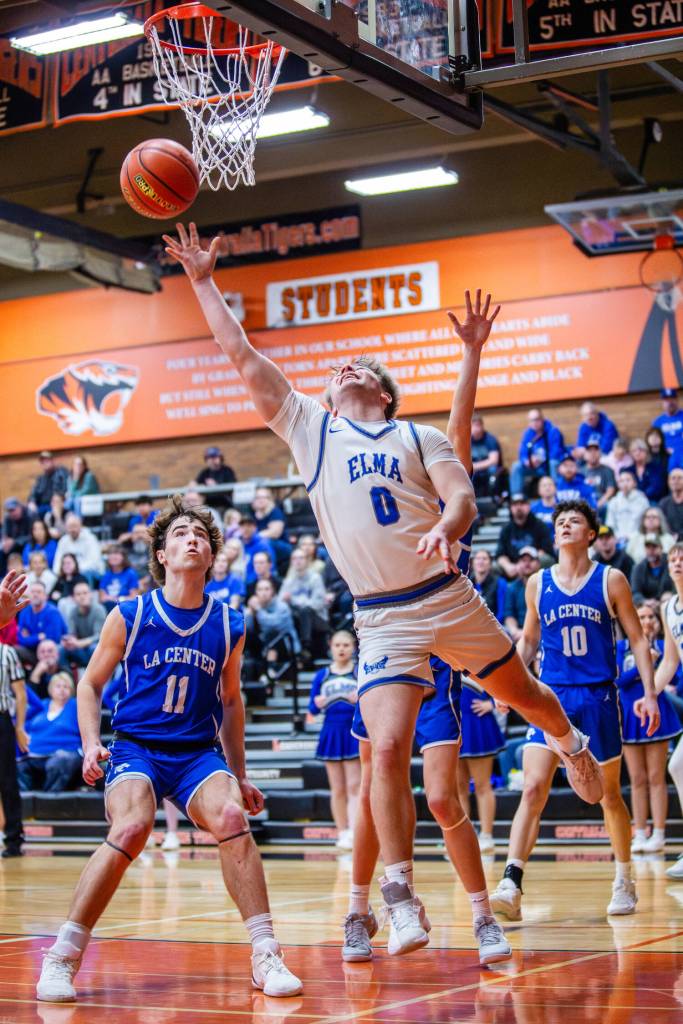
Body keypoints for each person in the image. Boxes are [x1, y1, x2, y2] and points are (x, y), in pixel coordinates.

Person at [166, 225, 605, 950]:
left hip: (446, 597)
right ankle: (396, 893)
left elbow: (462, 498)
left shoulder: (416, 437)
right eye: (339, 366)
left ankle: (568, 742)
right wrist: (204, 281)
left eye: (358, 366)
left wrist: (447, 527)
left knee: (527, 696)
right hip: (383, 619)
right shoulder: (311, 429)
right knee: (386, 748)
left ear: (382, 392)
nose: (343, 367)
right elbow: (239, 355)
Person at [36, 494, 302, 1002]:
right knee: (133, 826)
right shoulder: (131, 613)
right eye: (180, 533)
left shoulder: (229, 623)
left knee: (230, 817)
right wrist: (91, 744)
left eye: (200, 534)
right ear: (161, 553)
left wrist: (240, 774)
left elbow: (229, 701)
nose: (192, 539)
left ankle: (265, 953)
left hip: (197, 753)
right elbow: (89, 685)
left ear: (211, 554)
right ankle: (61, 956)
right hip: (137, 747)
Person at [342, 316, 511, 966]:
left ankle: (480, 914)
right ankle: (359, 910)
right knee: (371, 785)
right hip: (384, 645)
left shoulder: (436, 477)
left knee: (442, 796)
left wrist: (470, 355)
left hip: (440, 676)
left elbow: (458, 422)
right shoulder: (364, 477)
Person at [490, 499, 659, 921]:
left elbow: (637, 640)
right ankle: (511, 882)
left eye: (575, 521)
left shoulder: (611, 579)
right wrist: (507, 684)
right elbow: (528, 643)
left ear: (591, 534)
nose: (566, 526)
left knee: (607, 797)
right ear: (554, 535)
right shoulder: (537, 583)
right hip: (550, 696)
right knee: (533, 787)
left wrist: (651, 692)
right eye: (560, 522)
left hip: (598, 698)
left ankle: (623, 877)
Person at [617, 603, 681, 854]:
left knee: (657, 777)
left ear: (656, 621)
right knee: (637, 779)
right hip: (630, 715)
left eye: (649, 617)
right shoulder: (621, 648)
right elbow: (618, 680)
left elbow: (676, 675)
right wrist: (640, 667)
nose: (645, 621)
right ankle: (640, 832)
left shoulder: (665, 647)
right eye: (640, 616)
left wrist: (656, 666)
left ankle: (660, 833)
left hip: (658, 712)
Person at [641, 546, 683, 878]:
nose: (679, 563)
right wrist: (649, 693)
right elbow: (670, 660)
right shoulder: (669, 608)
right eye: (674, 560)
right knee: (679, 766)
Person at [307, 630, 360, 850]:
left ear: (354, 647)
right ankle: (343, 832)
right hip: (331, 731)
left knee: (355, 785)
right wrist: (317, 703)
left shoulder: (359, 672)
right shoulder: (322, 675)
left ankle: (357, 831)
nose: (341, 649)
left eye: (346, 645)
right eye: (337, 645)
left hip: (353, 731)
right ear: (330, 647)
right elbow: (311, 709)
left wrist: (361, 699)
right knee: (337, 788)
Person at [458, 679, 505, 854]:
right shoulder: (442, 654)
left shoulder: (480, 652)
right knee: (458, 788)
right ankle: (461, 838)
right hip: (451, 721)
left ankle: (486, 835)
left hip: (477, 722)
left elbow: (506, 679)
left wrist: (492, 703)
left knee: (482, 785)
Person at [18, 672, 82, 793]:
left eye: (66, 687)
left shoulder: (75, 705)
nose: (62, 690)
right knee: (18, 765)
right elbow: (23, 725)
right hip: (34, 753)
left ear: (71, 690)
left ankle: (47, 803)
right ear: (51, 689)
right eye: (58, 686)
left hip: (65, 752)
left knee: (58, 762)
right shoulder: (41, 705)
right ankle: (26, 805)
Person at [0, 641, 28, 857]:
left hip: (2, 720)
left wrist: (19, 726)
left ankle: (14, 839)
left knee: (7, 780)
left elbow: (20, 693)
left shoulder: (7, 652)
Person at [279, 548, 329, 663]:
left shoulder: (315, 578)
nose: (298, 561)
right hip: (300, 619)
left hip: (318, 619)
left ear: (307, 561)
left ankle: (305, 645)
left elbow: (317, 604)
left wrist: (294, 600)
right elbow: (280, 602)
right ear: (291, 561)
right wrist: (286, 600)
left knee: (305, 611)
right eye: (295, 558)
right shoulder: (289, 581)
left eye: (301, 558)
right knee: (289, 614)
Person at [245, 578, 300, 670]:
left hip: (286, 645)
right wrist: (250, 613)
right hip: (265, 645)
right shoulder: (254, 607)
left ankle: (271, 670)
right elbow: (246, 629)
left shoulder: (282, 606)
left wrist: (258, 610)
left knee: (273, 634)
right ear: (256, 593)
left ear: (273, 591)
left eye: (267, 589)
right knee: (246, 634)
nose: (263, 593)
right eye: (260, 589)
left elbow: (273, 625)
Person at [495, 494, 554, 580]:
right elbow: (500, 554)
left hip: (535, 565)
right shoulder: (506, 529)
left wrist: (527, 564)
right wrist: (508, 566)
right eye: (515, 504)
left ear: (529, 506)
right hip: (514, 568)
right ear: (510, 508)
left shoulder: (540, 525)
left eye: (522, 503)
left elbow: (546, 551)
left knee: (547, 560)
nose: (519, 507)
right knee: (495, 567)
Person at [510, 408, 565, 497]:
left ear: (542, 419)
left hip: (548, 466)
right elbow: (522, 453)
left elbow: (556, 453)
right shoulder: (528, 433)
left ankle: (557, 494)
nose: (534, 423)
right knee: (516, 466)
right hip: (534, 468)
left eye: (536, 420)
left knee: (553, 463)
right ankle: (517, 498)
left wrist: (540, 460)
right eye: (531, 421)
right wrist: (527, 461)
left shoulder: (553, 431)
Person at [17, 582, 67, 665]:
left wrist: (30, 637)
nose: (35, 595)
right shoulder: (24, 612)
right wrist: (38, 637)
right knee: (14, 650)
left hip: (51, 652)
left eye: (39, 592)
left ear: (45, 596)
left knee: (48, 648)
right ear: (29, 595)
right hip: (32, 650)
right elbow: (21, 639)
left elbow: (54, 639)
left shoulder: (52, 612)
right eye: (33, 592)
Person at [60, 582, 107, 670]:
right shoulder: (72, 612)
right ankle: (67, 678)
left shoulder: (99, 610)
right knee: (61, 649)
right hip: (80, 648)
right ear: (73, 598)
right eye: (78, 594)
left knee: (94, 648)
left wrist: (80, 643)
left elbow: (99, 636)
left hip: (95, 647)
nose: (82, 596)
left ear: (91, 595)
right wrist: (69, 641)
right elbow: (72, 634)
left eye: (85, 593)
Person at [53, 514, 105, 583]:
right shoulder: (63, 541)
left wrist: (74, 569)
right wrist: (58, 572)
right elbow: (58, 561)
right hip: (70, 571)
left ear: (80, 526)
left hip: (92, 572)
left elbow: (93, 563)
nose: (72, 529)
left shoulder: (90, 539)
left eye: (75, 526)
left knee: (85, 575)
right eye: (70, 527)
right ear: (66, 528)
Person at [503, 547, 540, 642]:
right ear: (518, 564)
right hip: (518, 632)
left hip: (541, 632)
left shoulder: (546, 586)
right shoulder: (511, 587)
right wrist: (514, 631)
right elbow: (509, 614)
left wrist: (527, 633)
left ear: (538, 563)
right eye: (523, 560)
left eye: (531, 560)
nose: (527, 563)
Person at [605, 470, 650, 545]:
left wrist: (634, 537)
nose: (625, 483)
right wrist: (616, 537)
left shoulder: (643, 501)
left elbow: (645, 524)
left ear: (634, 483)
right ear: (618, 484)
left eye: (628, 480)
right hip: (617, 540)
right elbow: (610, 524)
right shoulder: (613, 502)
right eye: (621, 481)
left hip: (637, 540)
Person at [470, 414, 504, 499]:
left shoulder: (490, 439)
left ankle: (494, 498)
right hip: (475, 469)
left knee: (492, 469)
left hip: (489, 469)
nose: (475, 429)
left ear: (482, 426)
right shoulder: (467, 441)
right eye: (473, 426)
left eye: (477, 425)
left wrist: (474, 467)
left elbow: (494, 461)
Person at [631, 537, 673, 604]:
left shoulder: (671, 563)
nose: (651, 551)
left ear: (661, 548)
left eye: (654, 547)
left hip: (669, 603)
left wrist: (672, 594)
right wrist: (644, 601)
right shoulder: (638, 568)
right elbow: (635, 592)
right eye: (648, 547)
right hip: (648, 607)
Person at [193, 446, 236, 510]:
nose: (212, 460)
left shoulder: (227, 470)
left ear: (220, 458)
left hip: (224, 504)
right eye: (209, 458)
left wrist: (216, 486)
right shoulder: (205, 472)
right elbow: (195, 483)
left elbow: (232, 487)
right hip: (208, 505)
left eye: (215, 457)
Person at [98, 547, 140, 612]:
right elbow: (101, 598)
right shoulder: (106, 575)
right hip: (108, 607)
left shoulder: (130, 573)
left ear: (123, 557)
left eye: (116, 553)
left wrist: (117, 599)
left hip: (125, 607)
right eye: (110, 554)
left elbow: (134, 597)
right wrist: (115, 599)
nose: (113, 556)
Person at [28, 452, 69, 518]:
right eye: (42, 462)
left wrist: (59, 496)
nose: (45, 463)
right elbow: (33, 494)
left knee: (56, 500)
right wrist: (32, 502)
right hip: (42, 505)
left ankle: (59, 523)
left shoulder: (61, 472)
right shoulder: (40, 479)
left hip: (57, 503)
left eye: (47, 461)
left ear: (52, 461)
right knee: (28, 510)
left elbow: (66, 487)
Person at [582, 436, 616, 514]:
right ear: (585, 454)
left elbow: (610, 490)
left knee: (608, 506)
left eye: (595, 450)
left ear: (600, 453)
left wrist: (597, 504)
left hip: (602, 502)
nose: (593, 453)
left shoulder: (607, 470)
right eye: (589, 451)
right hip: (584, 503)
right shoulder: (580, 471)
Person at [470, 549, 506, 623]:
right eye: (478, 558)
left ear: (490, 564)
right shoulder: (467, 583)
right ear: (472, 563)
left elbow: (501, 613)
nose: (481, 561)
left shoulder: (500, 583)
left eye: (485, 559)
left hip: (493, 626)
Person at [239, 517, 275, 585]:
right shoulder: (238, 544)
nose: (245, 529)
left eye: (249, 526)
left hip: (257, 583)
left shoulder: (262, 545)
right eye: (242, 526)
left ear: (255, 528)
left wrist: (246, 582)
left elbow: (270, 568)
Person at [630, 438, 667, 503]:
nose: (637, 453)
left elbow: (656, 486)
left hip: (651, 500)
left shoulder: (656, 468)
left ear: (646, 452)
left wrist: (642, 496)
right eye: (634, 451)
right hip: (632, 501)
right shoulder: (627, 470)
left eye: (641, 450)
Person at [2, 497, 33, 568]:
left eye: (13, 509)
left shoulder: (30, 515)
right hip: (13, 545)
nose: (12, 513)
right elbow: (4, 533)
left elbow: (32, 536)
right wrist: (5, 541)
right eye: (9, 511)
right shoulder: (7, 517)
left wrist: (14, 541)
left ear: (20, 507)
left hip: (27, 544)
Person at [652, 387, 683, 454]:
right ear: (662, 402)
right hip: (665, 457)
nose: (670, 402)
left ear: (677, 400)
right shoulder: (657, 422)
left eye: (672, 399)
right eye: (667, 400)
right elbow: (654, 444)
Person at [659, 468, 683, 539]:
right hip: (669, 541)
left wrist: (679, 536)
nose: (676, 481)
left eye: (680, 478)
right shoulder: (663, 503)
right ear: (668, 482)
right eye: (673, 478)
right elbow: (661, 524)